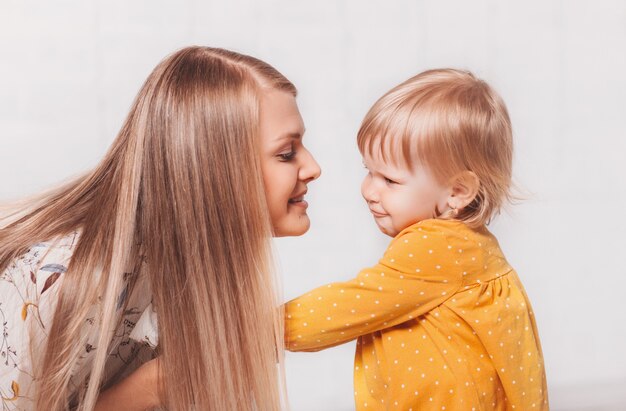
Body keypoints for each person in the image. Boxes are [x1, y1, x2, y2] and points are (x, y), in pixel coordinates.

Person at [0, 46, 320, 411]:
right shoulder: (56, 277)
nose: (313, 167)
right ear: (214, 166)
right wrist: (156, 383)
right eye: (286, 153)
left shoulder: (199, 263)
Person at [285, 69, 548, 410]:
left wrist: (263, 328)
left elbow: (350, 305)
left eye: (390, 180)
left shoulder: (432, 248)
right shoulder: (471, 244)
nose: (369, 190)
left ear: (457, 191)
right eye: (368, 171)